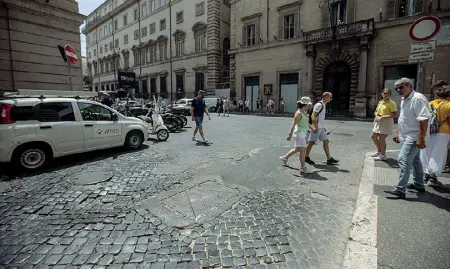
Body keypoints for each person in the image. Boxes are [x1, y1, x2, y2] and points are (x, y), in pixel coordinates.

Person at [386, 78, 431, 198]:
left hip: (414, 136)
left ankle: (400, 189)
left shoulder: (417, 98)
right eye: (397, 89)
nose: (399, 90)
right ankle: (418, 184)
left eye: (401, 87)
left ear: (410, 86)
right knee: (416, 160)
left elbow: (424, 119)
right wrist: (398, 132)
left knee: (403, 159)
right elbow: (403, 118)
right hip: (406, 135)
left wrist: (421, 138)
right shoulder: (404, 99)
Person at [420, 80, 449, 186]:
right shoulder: (448, 105)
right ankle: (433, 178)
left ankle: (426, 175)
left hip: (430, 130)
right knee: (439, 154)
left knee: (428, 152)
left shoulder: (430, 103)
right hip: (443, 132)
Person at [280, 97, 314, 174]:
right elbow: (293, 124)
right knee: (302, 150)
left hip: (303, 133)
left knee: (298, 149)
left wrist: (312, 129)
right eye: (308, 105)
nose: (309, 107)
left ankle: (285, 158)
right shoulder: (298, 113)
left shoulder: (304, 112)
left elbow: (306, 123)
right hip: (299, 133)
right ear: (304, 105)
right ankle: (302, 167)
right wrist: (290, 135)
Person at [305, 92, 339, 165]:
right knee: (311, 142)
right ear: (326, 97)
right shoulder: (319, 105)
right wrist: (316, 126)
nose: (331, 99)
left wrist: (323, 127)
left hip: (321, 127)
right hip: (317, 127)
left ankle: (329, 159)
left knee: (326, 141)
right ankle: (306, 157)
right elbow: (313, 116)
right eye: (330, 97)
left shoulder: (323, 104)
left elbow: (320, 117)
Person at [371, 88, 398, 160]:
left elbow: (395, 115)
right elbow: (376, 111)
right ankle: (379, 151)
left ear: (390, 95)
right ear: (382, 94)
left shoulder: (392, 103)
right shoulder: (380, 102)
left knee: (381, 138)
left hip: (386, 122)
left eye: (387, 93)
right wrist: (376, 115)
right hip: (378, 121)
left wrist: (382, 117)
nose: (386, 95)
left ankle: (383, 155)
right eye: (384, 93)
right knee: (373, 136)